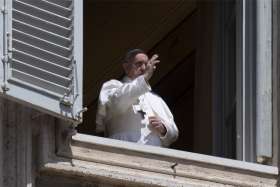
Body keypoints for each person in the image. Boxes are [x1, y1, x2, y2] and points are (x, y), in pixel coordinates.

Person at [96, 49, 178, 147]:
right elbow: (116, 103)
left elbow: (174, 133)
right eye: (139, 64)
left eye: (146, 64)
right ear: (126, 67)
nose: (144, 68)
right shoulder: (112, 87)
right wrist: (144, 78)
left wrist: (164, 129)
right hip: (122, 148)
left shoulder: (156, 99)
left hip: (154, 153)